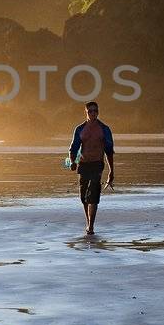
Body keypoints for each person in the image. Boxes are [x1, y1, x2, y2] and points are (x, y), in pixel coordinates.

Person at [67, 100, 115, 235]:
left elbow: (109, 151)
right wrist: (72, 162)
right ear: (86, 113)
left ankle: (91, 226)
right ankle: (88, 222)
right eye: (90, 111)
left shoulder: (104, 129)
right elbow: (73, 148)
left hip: (97, 165)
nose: (93, 113)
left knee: (93, 195)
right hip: (83, 165)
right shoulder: (80, 129)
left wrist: (111, 171)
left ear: (98, 112)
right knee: (83, 197)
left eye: (96, 111)